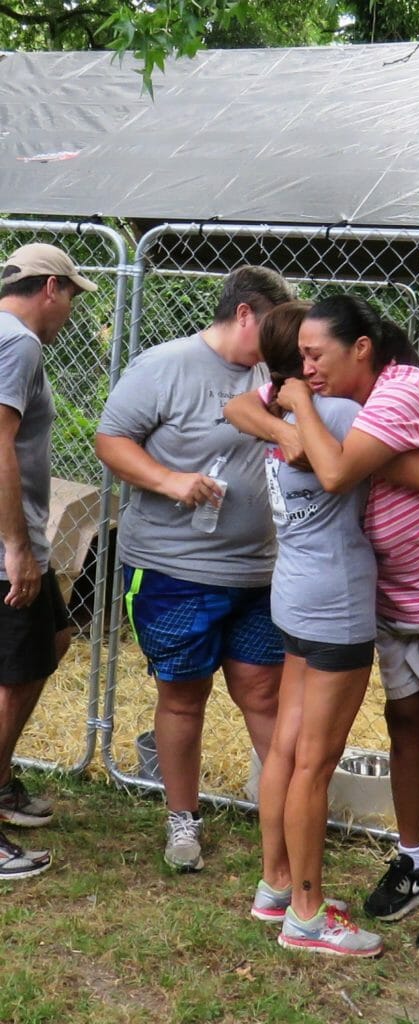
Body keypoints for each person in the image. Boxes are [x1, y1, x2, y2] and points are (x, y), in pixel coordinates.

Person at [227, 293, 419, 952]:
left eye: (317, 355)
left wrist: (297, 417)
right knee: (399, 729)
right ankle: (411, 860)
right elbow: (401, 465)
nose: (307, 368)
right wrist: (296, 423)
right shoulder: (327, 406)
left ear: (358, 348)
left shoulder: (374, 401)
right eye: (299, 358)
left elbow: (411, 472)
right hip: (383, 593)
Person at [95, 265, 292, 873]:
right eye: (274, 327)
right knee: (182, 697)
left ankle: (286, 823)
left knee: (264, 694)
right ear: (243, 315)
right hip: (175, 567)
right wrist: (170, 480)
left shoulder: (275, 374)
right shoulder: (166, 365)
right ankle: (184, 821)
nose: (285, 341)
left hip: (258, 571)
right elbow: (111, 439)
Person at [0, 242, 98, 879]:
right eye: (71, 299)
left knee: (56, 638)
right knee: (11, 677)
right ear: (50, 289)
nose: (70, 314)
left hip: (16, 539)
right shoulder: (19, 344)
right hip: (5, 545)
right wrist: (16, 548)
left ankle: (3, 781)